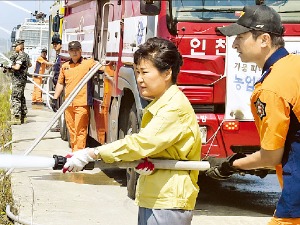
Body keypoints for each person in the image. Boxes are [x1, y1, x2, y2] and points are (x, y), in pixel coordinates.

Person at [61, 37, 201, 225]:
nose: (139, 79)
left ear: (167, 73)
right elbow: (157, 147)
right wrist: (145, 161)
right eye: (137, 72)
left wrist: (93, 153)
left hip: (168, 201)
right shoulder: (162, 103)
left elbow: (142, 143)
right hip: (157, 196)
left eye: (144, 72)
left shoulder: (173, 107)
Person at [206, 5, 300, 225]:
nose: (235, 43)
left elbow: (271, 157)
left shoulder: (271, 88)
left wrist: (231, 166)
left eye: (241, 36)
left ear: (264, 39)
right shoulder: (294, 65)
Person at [51, 41, 96, 152]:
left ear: (81, 50)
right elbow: (60, 83)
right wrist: (55, 98)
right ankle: (74, 152)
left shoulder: (88, 63)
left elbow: (102, 68)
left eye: (76, 50)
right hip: (68, 104)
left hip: (82, 103)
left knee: (80, 130)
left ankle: (77, 155)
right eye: (72, 50)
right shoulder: (65, 66)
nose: (74, 53)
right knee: (71, 130)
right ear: (69, 52)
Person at [8, 39, 32, 125]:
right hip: (22, 79)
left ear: (20, 46)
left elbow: (17, 67)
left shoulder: (20, 56)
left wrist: (11, 66)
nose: (15, 48)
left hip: (18, 80)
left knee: (15, 97)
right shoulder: (25, 55)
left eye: (16, 46)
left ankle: (16, 117)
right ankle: (23, 116)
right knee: (21, 96)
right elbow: (29, 64)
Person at [50, 36, 62, 132]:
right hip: (57, 84)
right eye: (53, 44)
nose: (54, 46)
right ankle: (59, 123)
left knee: (60, 105)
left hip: (61, 85)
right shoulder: (58, 56)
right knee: (58, 105)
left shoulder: (62, 56)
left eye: (56, 44)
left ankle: (60, 124)